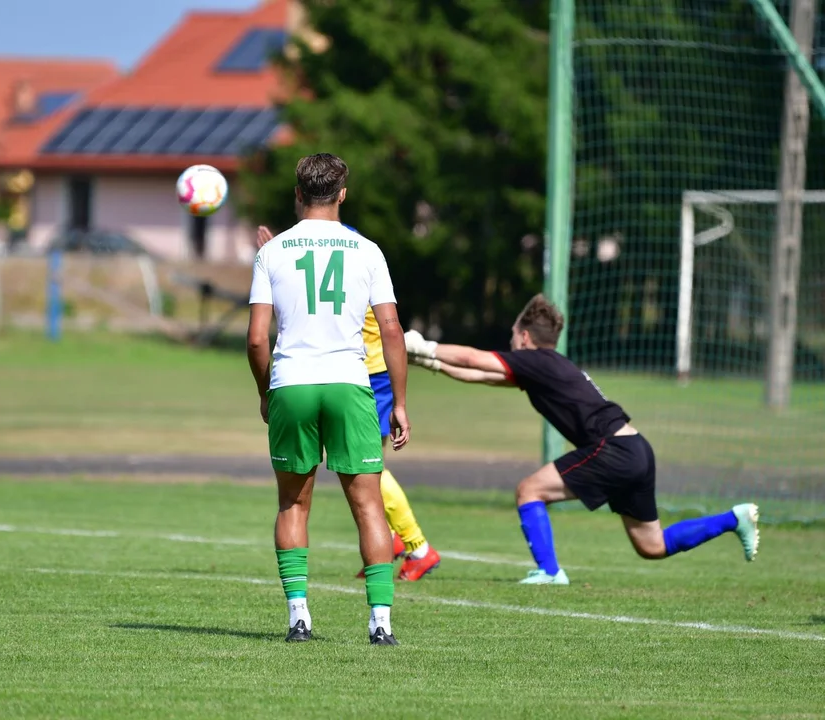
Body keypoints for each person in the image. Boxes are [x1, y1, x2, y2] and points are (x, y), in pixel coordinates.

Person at [404, 294, 759, 585]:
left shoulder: (537, 362)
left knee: (529, 490)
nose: (511, 343)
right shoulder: (546, 367)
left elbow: (474, 358)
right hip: (636, 449)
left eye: (514, 335)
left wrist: (425, 344)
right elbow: (479, 375)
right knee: (652, 545)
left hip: (613, 450)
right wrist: (428, 362)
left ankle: (549, 572)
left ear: (525, 337)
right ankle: (734, 518)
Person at [247, 153, 410, 644]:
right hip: (348, 382)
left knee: (293, 505)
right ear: (343, 195)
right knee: (368, 507)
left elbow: (257, 338)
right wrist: (399, 401)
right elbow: (391, 329)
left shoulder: (273, 251)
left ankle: (299, 617)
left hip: (293, 383)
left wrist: (265, 392)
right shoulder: (367, 250)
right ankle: (379, 625)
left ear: (298, 195)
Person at [253, 223, 441, 581]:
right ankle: (400, 544)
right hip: (352, 373)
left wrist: (274, 254)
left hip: (367, 371)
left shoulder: (342, 247)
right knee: (367, 472)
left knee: (368, 473)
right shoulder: (352, 247)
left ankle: (417, 546)